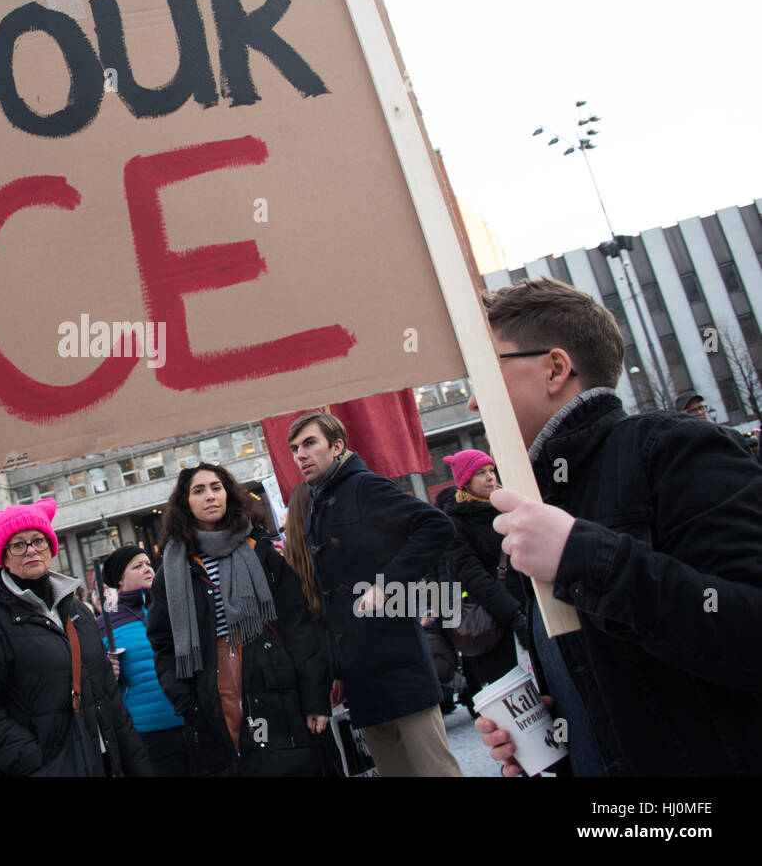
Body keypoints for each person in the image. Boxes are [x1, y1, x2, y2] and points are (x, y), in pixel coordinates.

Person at [471, 277, 762, 776]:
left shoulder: (672, 447)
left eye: (483, 370)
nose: (474, 402)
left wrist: (582, 558)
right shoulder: (539, 495)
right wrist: (558, 724)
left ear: (555, 369)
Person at [288, 413, 462, 777]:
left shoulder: (365, 487)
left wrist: (387, 585)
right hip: (359, 676)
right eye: (294, 448)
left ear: (337, 447)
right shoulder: (316, 504)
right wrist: (336, 670)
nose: (299, 454)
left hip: (399, 662)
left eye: (309, 443)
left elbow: (436, 525)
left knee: (435, 772)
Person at [145, 463, 335, 777]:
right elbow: (163, 643)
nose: (210, 496)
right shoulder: (173, 570)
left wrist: (316, 698)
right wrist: (187, 703)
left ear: (228, 494)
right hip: (212, 692)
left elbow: (298, 626)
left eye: (216, 487)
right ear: (185, 504)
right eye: (199, 490)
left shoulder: (261, 551)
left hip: (272, 680)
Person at [0, 498, 151, 776]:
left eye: (38, 540)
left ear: (51, 547)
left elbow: (109, 698)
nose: (31, 550)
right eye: (18, 544)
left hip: (105, 762)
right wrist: (36, 760)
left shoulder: (77, 610)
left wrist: (136, 764)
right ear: (5, 557)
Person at [440, 449, 528, 698]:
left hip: (533, 609)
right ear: (465, 481)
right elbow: (474, 578)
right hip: (499, 623)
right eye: (480, 473)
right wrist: (514, 615)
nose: (490, 477)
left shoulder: (510, 507)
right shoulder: (456, 523)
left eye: (491, 470)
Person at [97, 545, 188, 776]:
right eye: (138, 566)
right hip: (146, 732)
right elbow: (96, 682)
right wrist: (107, 673)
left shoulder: (171, 606)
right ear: (119, 579)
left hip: (190, 719)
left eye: (148, 564)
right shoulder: (105, 623)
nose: (147, 569)